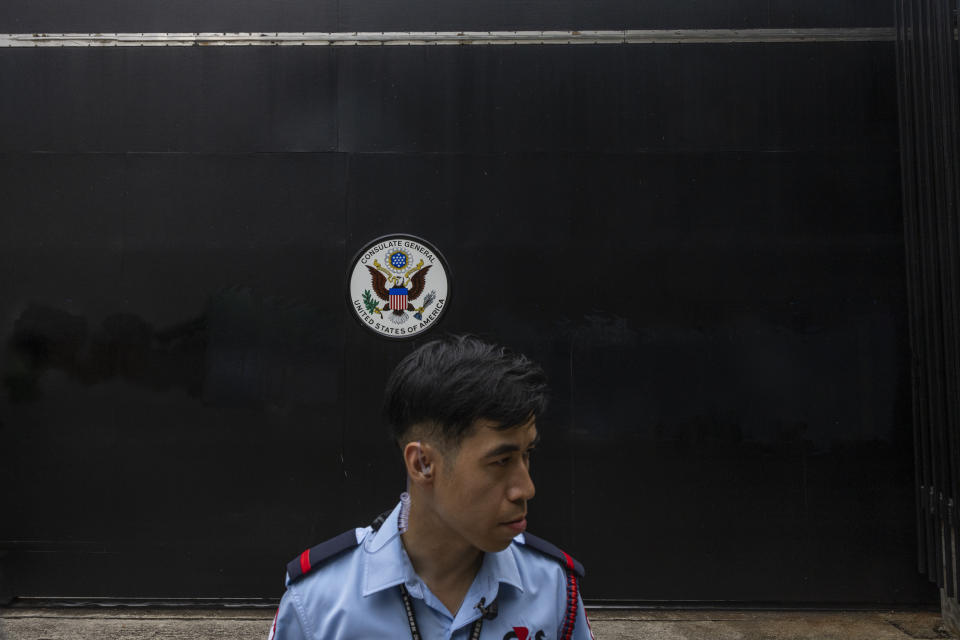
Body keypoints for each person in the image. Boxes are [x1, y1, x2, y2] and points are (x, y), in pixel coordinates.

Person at [269, 335, 594, 640]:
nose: (526, 489)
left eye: (527, 455)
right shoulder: (318, 603)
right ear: (422, 464)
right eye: (501, 461)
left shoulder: (553, 589)